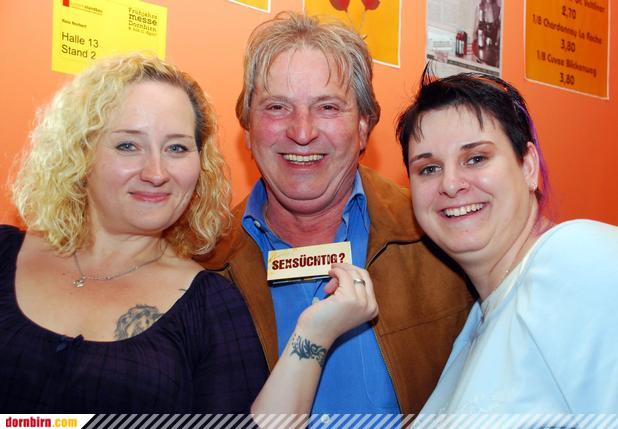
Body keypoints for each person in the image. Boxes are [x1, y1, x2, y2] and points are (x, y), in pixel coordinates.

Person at [1, 52, 377, 413]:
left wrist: (313, 334)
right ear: (80, 153)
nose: (156, 172)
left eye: (177, 148)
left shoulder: (212, 303)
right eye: (128, 145)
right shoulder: (5, 252)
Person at [197, 12, 473, 415]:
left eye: (327, 107)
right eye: (277, 107)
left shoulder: (442, 238)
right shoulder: (203, 265)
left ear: (363, 128)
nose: (302, 132)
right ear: (248, 130)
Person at [396, 70, 618, 414]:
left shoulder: (576, 260)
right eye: (429, 169)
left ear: (528, 166)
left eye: (476, 158)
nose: (450, 184)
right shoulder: (475, 328)